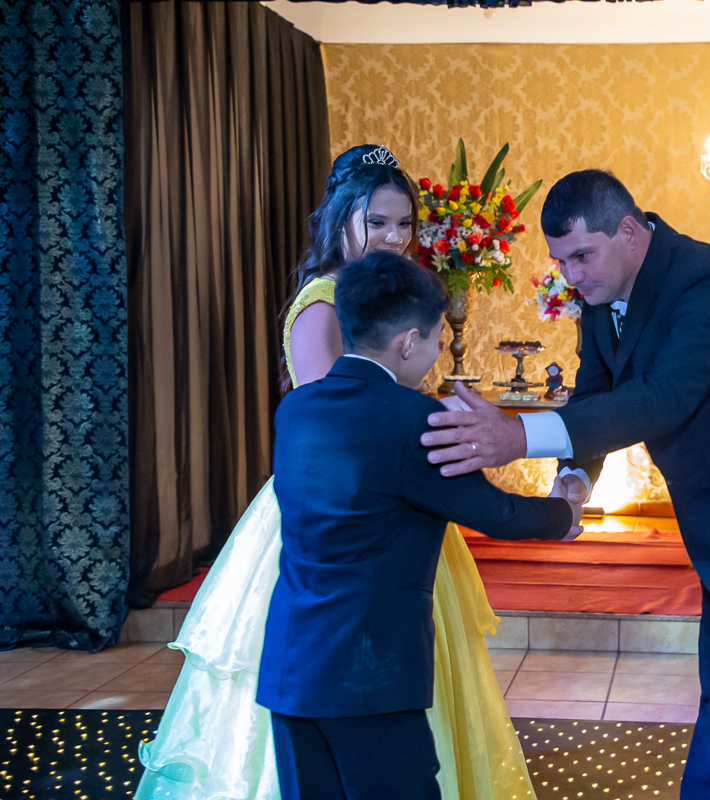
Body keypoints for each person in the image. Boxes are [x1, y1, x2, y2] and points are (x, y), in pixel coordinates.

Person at [420, 170, 710, 800]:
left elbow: (661, 399)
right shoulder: (604, 296)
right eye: (560, 261)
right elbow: (596, 393)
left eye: (581, 256)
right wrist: (573, 482)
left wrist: (516, 437)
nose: (570, 275)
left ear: (628, 231)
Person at [136, 145, 540, 800]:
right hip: (343, 508)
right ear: (341, 219)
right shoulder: (325, 301)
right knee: (352, 675)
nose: (394, 237)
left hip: (392, 503)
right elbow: (342, 425)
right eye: (377, 222)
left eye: (404, 224)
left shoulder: (384, 299)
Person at [259, 251, 583, 800]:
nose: (435, 351)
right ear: (409, 342)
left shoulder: (296, 409)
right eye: (435, 338)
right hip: (370, 676)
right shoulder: (415, 420)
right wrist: (565, 513)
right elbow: (496, 513)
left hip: (291, 669)